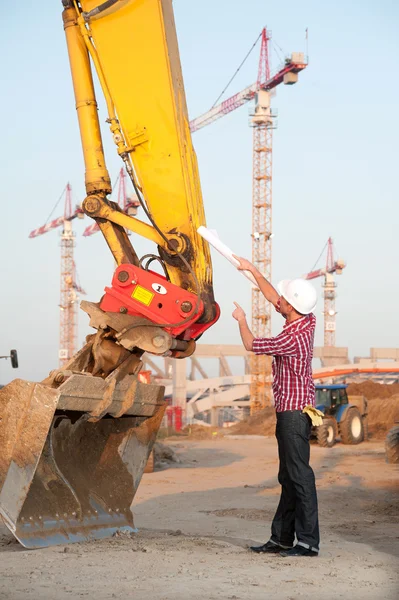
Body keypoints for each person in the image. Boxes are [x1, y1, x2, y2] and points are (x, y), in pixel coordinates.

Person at [232, 255, 320, 557]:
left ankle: (308, 542)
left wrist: (242, 320)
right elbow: (274, 297)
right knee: (289, 477)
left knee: (299, 476)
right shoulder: (306, 320)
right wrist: (253, 270)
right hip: (296, 412)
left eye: (283, 299)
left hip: (293, 415)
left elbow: (250, 345)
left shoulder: (291, 339)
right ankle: (282, 538)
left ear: (291, 306)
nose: (277, 300)